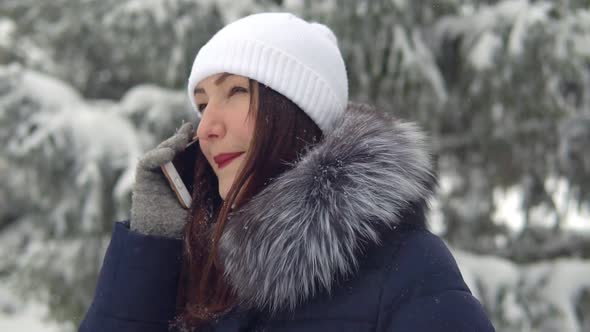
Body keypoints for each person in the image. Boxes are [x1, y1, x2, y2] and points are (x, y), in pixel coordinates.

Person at [79, 12, 495, 332]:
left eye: (236, 91)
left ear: (297, 112)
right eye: (203, 104)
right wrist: (152, 244)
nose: (206, 128)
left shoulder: (406, 268)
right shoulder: (197, 275)